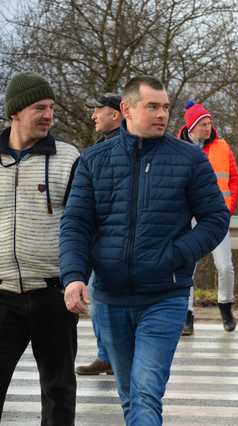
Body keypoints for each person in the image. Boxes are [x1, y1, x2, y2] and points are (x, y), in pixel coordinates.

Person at [60, 76, 230, 426]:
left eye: (165, 107)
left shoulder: (188, 159)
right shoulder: (93, 161)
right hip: (110, 297)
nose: (162, 114)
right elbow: (76, 224)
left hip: (164, 296)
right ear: (127, 109)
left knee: (145, 392)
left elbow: (215, 218)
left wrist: (176, 254)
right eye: (152, 106)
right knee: (129, 394)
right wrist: (74, 277)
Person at [0, 71, 80, 425]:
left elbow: (81, 225)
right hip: (1, 295)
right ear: (15, 112)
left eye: (51, 107)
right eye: (39, 107)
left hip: (52, 293)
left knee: (59, 391)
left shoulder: (67, 158)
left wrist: (79, 276)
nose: (48, 114)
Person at [177, 101, 238, 333]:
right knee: (187, 267)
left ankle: (225, 306)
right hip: (188, 218)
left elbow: (234, 178)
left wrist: (229, 206)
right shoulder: (176, 147)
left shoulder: (222, 146)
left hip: (216, 216)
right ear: (191, 126)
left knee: (225, 266)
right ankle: (187, 315)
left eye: (209, 123)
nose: (208, 128)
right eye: (203, 124)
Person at [75, 92, 122, 376]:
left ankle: (114, 356)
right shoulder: (104, 144)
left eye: (98, 110)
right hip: (100, 237)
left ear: (115, 114)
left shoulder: (121, 147)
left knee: (103, 299)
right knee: (99, 298)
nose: (93, 115)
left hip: (112, 239)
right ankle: (107, 355)